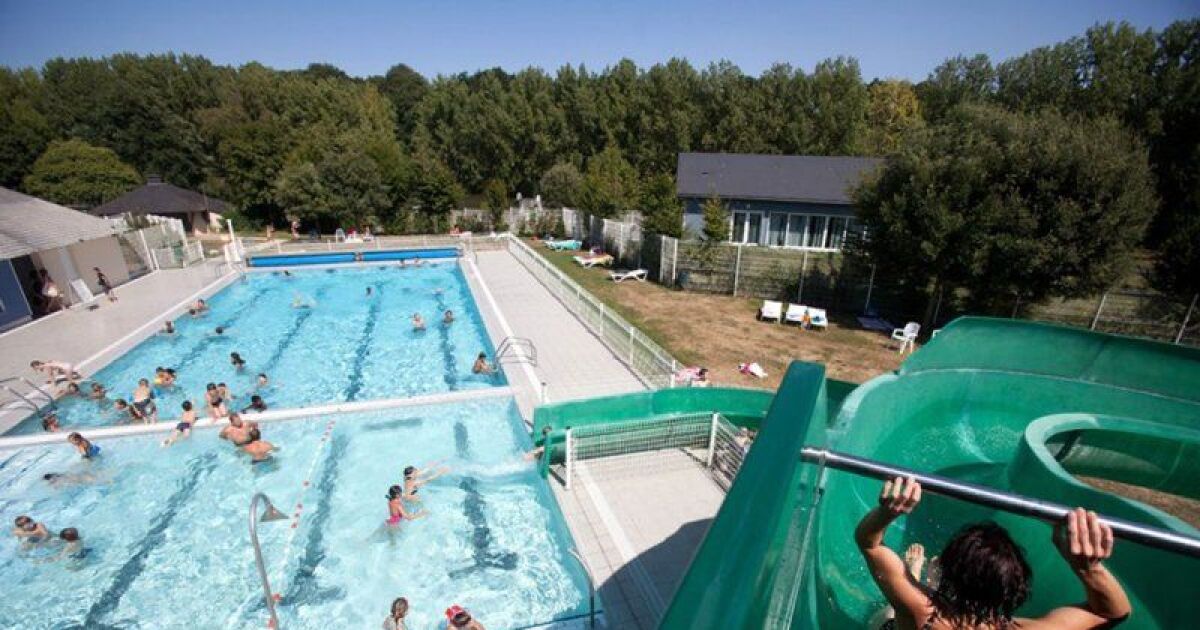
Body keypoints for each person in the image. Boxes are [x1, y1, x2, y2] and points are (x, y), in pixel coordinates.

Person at [856, 477, 1132, 630]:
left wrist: (888, 511)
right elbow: (1113, 614)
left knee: (885, 613)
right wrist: (1088, 568)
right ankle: (923, 579)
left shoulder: (922, 612)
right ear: (1014, 589)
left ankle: (918, 575)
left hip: (913, 618)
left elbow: (870, 543)